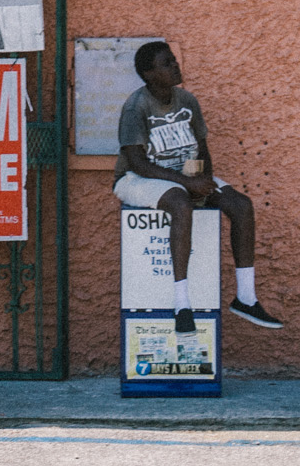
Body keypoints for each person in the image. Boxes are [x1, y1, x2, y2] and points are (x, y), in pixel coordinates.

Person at [114, 40, 282, 334]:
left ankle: (245, 298)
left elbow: (202, 149)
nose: (175, 66)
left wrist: (204, 182)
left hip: (184, 177)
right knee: (180, 202)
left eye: (174, 60)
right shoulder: (136, 106)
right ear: (149, 74)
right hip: (136, 179)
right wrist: (187, 183)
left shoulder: (187, 101)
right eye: (167, 63)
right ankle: (182, 304)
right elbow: (138, 163)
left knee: (241, 205)